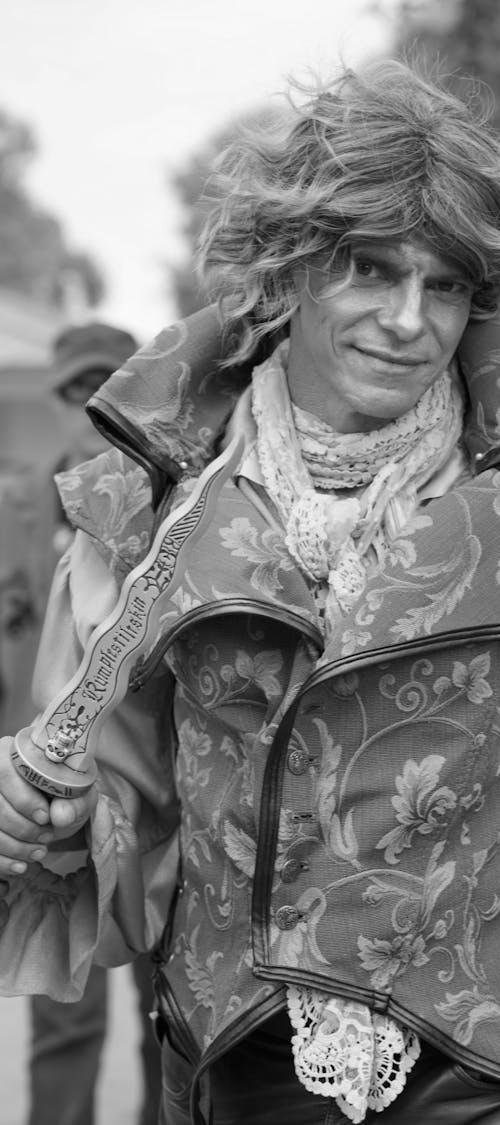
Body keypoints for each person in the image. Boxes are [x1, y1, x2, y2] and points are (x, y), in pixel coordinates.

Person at [0, 60, 500, 1125]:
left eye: (442, 284)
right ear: (292, 272)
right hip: (240, 1063)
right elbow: (125, 801)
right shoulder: (145, 511)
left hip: (496, 1069)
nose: (408, 319)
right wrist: (44, 812)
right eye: (369, 270)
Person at [18, 324, 163, 1125]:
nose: (92, 409)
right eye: (77, 391)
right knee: (62, 1014)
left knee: (165, 1013)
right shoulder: (15, 507)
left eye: (108, 388)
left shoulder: (178, 510)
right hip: (47, 809)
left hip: (150, 802)